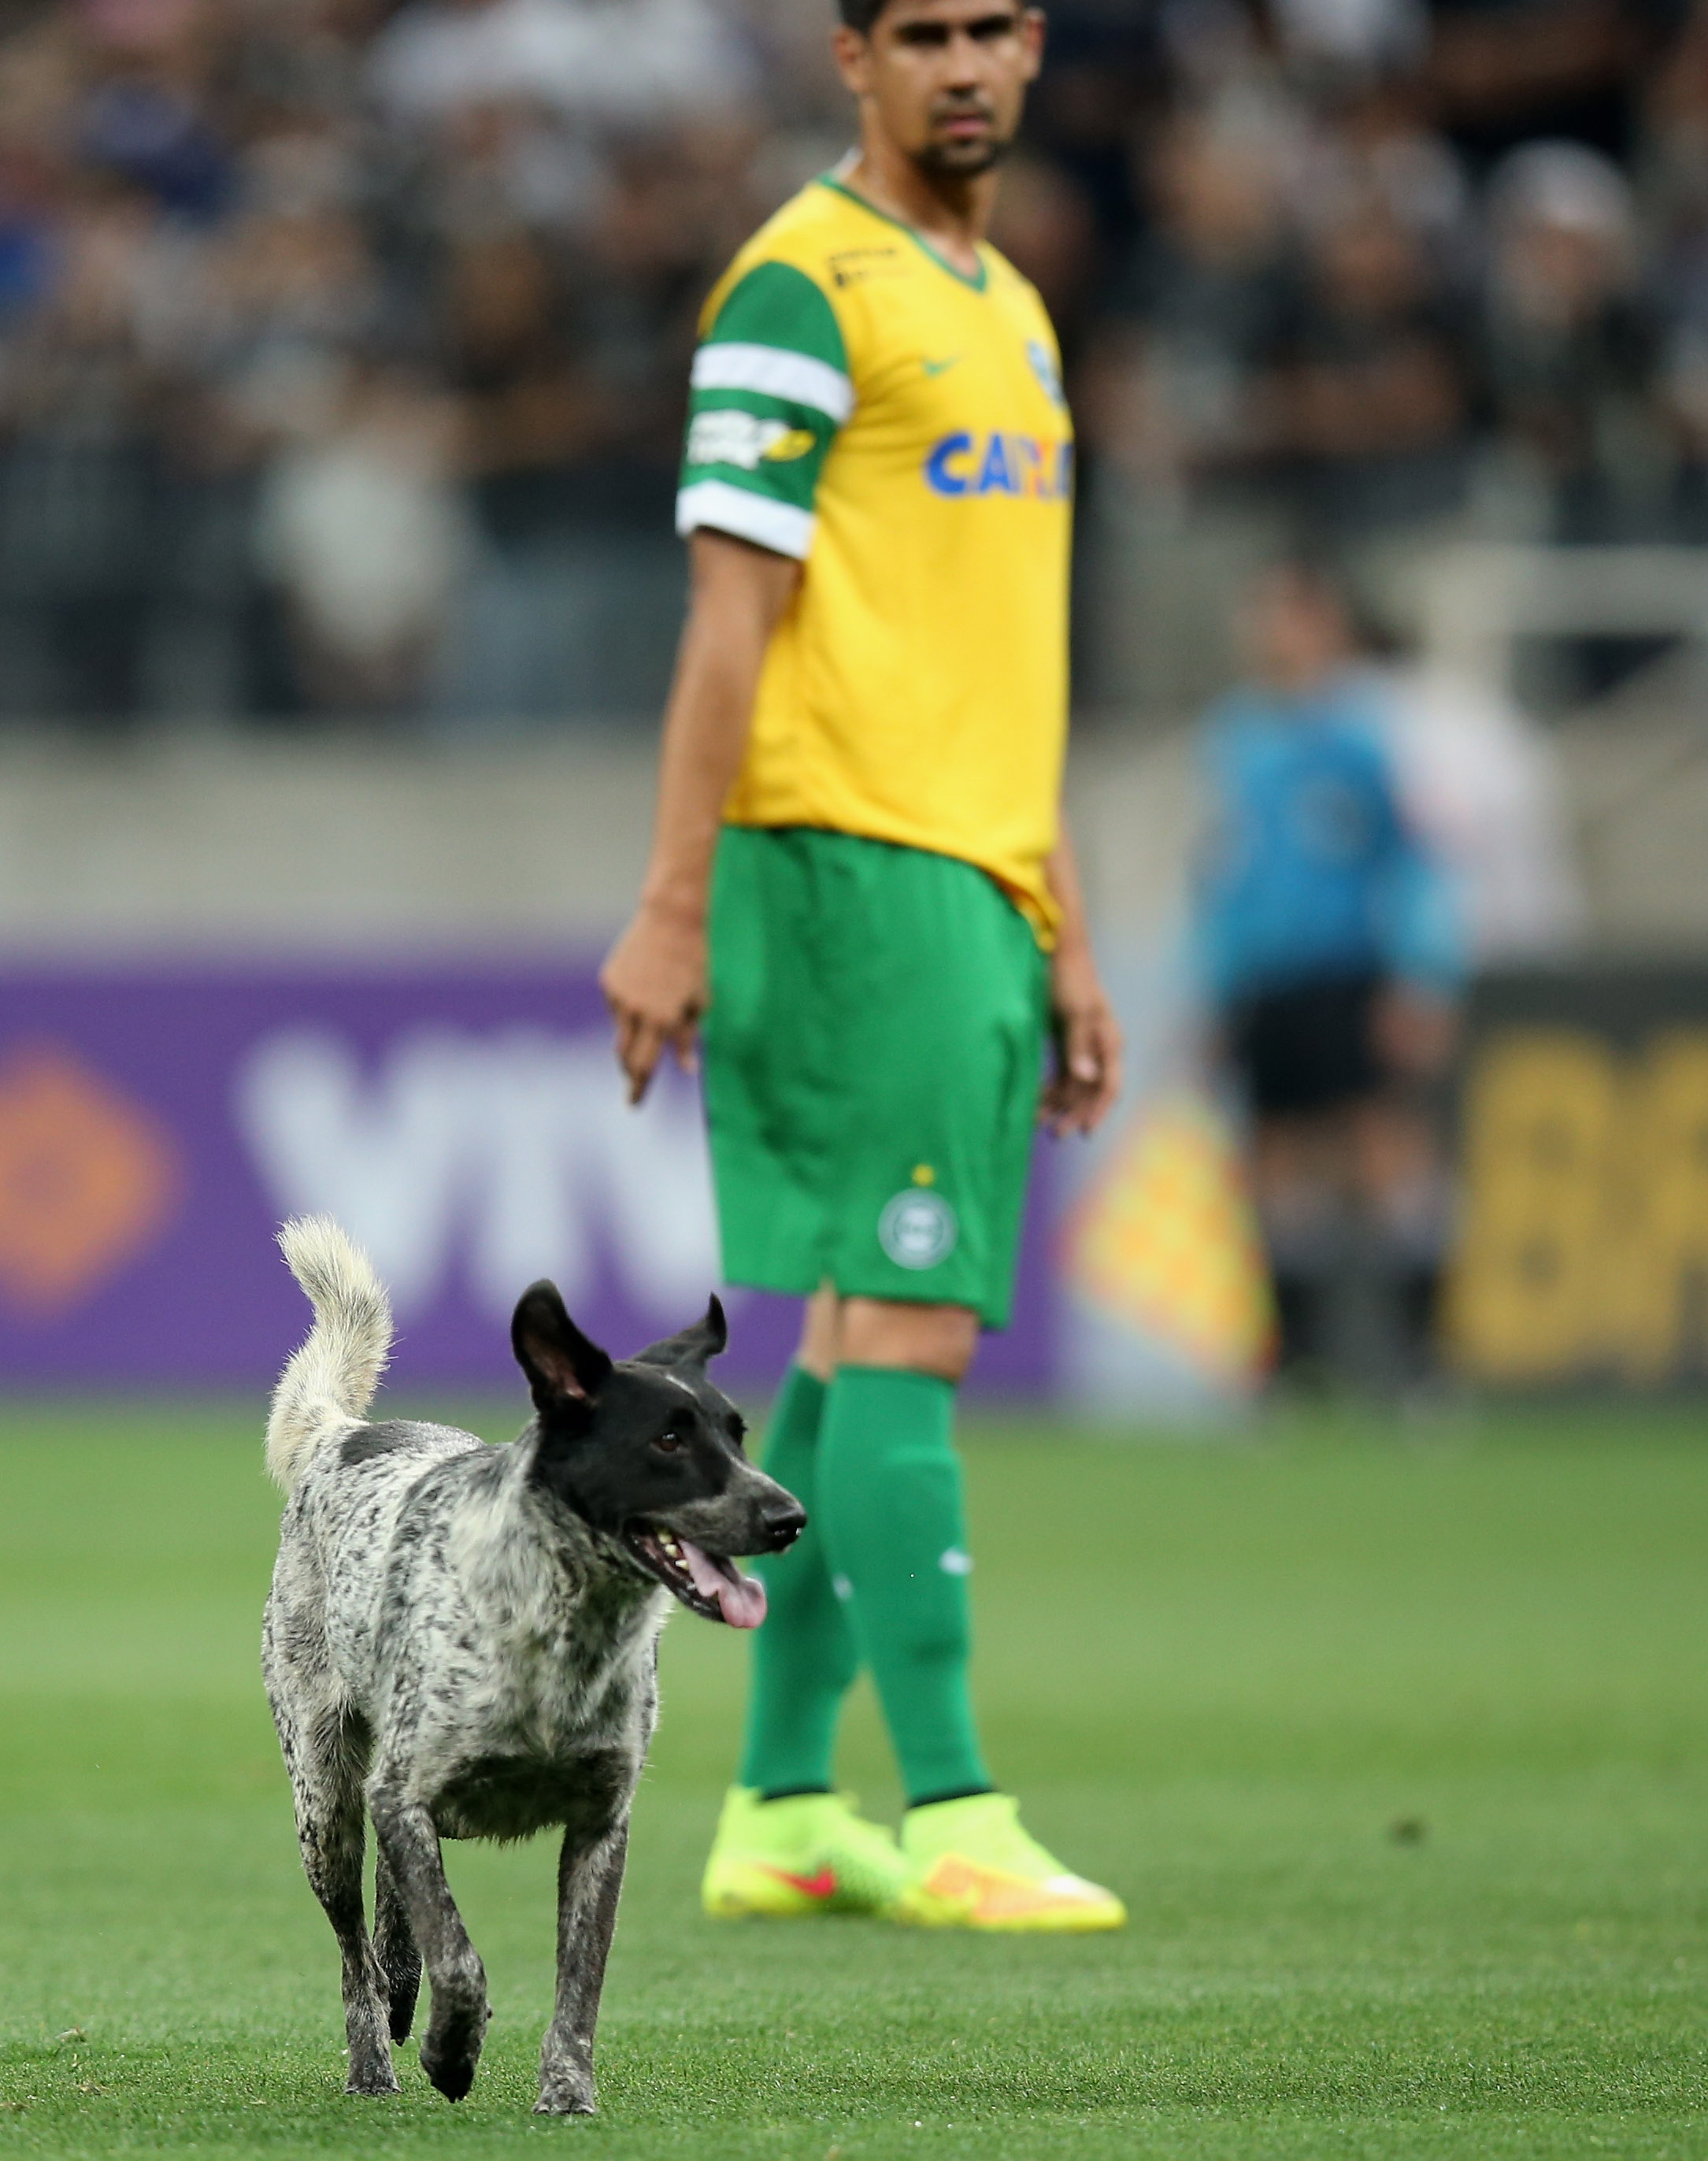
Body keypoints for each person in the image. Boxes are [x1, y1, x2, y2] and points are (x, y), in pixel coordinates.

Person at [598, 0, 1128, 1933]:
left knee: (843, 1347)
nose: (963, 65)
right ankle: (962, 1809)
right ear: (850, 55)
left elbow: (1005, 658)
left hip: (975, 879)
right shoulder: (793, 289)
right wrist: (671, 901)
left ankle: (778, 1806)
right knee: (905, 1334)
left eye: (995, 27)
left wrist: (1059, 918)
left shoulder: (1011, 306)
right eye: (922, 31)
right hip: (841, 868)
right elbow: (724, 622)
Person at [1192, 561, 1465, 1398]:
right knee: (1273, 1163)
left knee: (1383, 1154)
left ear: (1327, 628)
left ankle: (1423, 1365)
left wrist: (1419, 975)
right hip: (1264, 980)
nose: (1271, 635)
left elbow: (1413, 859)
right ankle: (1294, 1368)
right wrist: (1211, 984)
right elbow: (1220, 871)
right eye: (1262, 618)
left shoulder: (1366, 733)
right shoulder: (1235, 737)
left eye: (1288, 618)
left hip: (1350, 970)